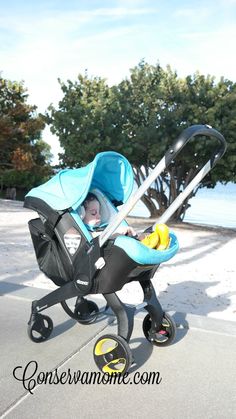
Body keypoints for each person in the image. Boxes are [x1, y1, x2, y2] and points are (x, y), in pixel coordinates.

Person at [81, 192, 169, 249]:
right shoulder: (84, 232)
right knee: (135, 241)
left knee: (141, 235)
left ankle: (158, 242)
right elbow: (95, 237)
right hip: (113, 253)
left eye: (99, 212)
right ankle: (152, 244)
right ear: (82, 213)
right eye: (93, 213)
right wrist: (116, 232)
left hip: (125, 244)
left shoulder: (101, 227)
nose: (99, 216)